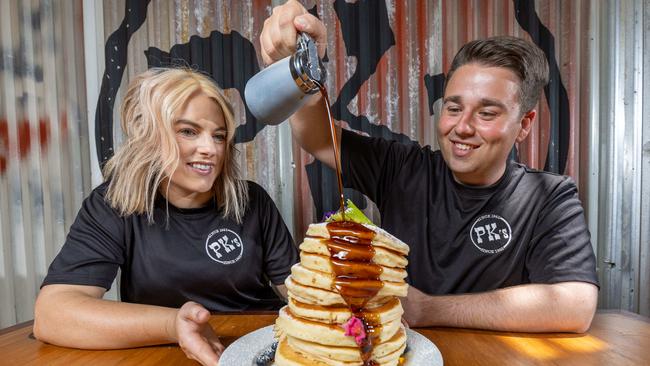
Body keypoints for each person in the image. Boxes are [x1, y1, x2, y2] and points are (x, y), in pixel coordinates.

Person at [258, 0, 598, 333]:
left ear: (524, 124)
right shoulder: (403, 168)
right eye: (453, 108)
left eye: (487, 113)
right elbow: (318, 139)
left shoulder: (549, 197)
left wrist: (428, 309)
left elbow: (575, 305)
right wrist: (299, 69)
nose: (461, 127)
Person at [33, 68, 299, 365]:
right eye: (188, 131)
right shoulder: (113, 204)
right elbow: (52, 315)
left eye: (219, 136)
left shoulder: (252, 200)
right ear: (150, 137)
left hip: (253, 347)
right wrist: (173, 324)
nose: (210, 149)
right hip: (163, 351)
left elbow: (297, 291)